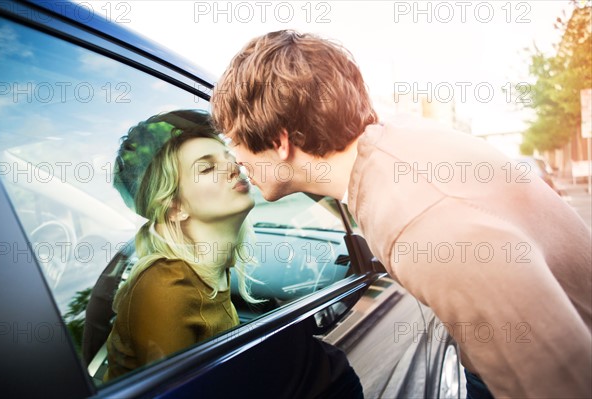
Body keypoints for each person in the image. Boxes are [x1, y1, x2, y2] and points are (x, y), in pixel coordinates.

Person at [210, 30, 592, 398]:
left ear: (279, 141)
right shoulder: (391, 145)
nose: (236, 160)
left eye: (235, 141)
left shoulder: (419, 221)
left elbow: (561, 386)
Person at [105, 110, 259, 380]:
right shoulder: (166, 285)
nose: (234, 167)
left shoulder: (215, 268)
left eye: (229, 158)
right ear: (175, 207)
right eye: (207, 167)